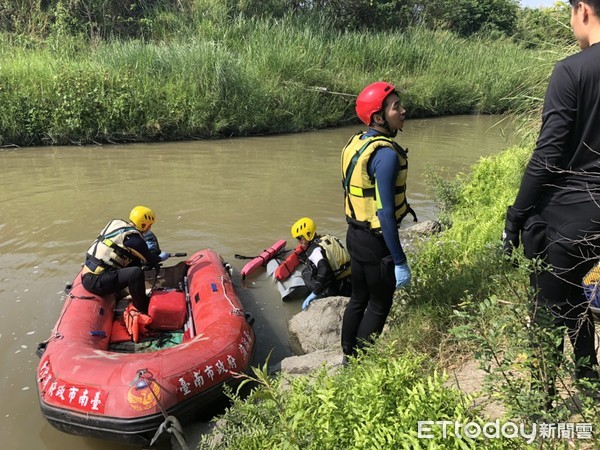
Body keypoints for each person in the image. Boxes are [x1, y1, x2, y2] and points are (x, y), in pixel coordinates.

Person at [502, 0, 600, 404]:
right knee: (576, 295)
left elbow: (548, 155)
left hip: (568, 215)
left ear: (582, 9)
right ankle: (589, 384)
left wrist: (516, 215)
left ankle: (540, 406)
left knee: (545, 307)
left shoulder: (572, 70)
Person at [340, 81, 416, 362]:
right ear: (378, 117)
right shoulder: (385, 155)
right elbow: (385, 214)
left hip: (354, 235)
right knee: (379, 304)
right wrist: (399, 260)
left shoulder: (358, 143)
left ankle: (347, 355)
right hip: (375, 243)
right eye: (396, 107)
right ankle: (359, 363)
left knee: (358, 298)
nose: (403, 110)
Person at [81, 206, 169, 313]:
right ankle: (142, 307)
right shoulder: (134, 240)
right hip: (95, 282)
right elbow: (151, 259)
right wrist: (161, 257)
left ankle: (122, 293)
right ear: (143, 224)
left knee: (135, 261)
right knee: (136, 273)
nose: (150, 228)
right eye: (149, 225)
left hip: (90, 272)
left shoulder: (115, 223)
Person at [285, 217, 351, 310]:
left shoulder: (314, 250)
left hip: (334, 289)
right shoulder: (327, 238)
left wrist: (315, 293)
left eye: (300, 238)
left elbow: (324, 269)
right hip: (348, 281)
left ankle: (321, 294)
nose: (298, 241)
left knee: (305, 273)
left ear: (308, 234)